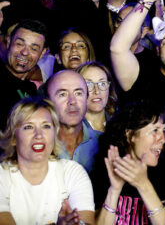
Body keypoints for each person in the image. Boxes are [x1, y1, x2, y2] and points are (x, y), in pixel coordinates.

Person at [0, 96, 95, 224]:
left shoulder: (72, 172)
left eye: (46, 126)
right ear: (13, 138)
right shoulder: (2, 176)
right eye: (28, 127)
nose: (38, 135)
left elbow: (86, 221)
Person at [92, 101, 165, 225]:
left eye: (163, 131)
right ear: (129, 135)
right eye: (155, 131)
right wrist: (114, 190)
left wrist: (144, 184)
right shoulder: (103, 173)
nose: (163, 139)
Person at [46, 69, 101, 173]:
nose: (72, 101)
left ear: (86, 99)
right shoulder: (38, 144)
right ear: (48, 102)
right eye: (62, 94)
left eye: (78, 93)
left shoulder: (105, 143)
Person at [76, 61, 116, 133]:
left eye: (102, 83)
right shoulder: (69, 131)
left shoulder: (121, 127)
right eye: (88, 84)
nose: (97, 91)